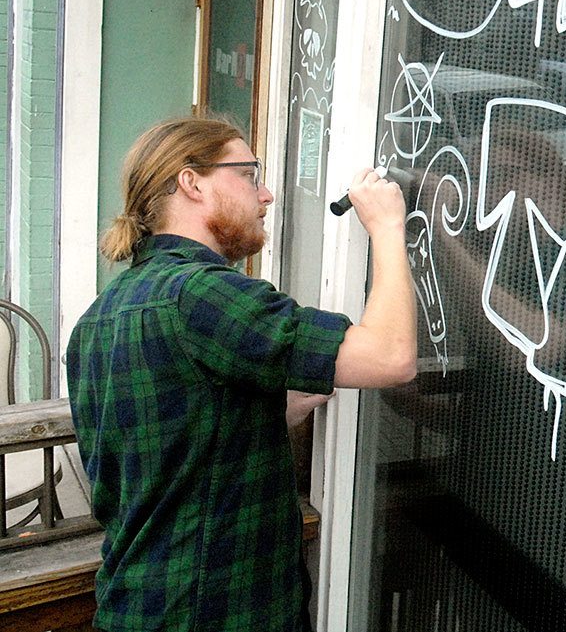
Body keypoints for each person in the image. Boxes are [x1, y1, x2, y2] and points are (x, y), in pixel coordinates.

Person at [66, 117, 416, 632]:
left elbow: (186, 428)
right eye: (251, 175)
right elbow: (391, 355)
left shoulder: (98, 319)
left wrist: (294, 391)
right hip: (214, 613)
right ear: (192, 182)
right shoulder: (202, 294)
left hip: (138, 606)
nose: (268, 194)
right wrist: (387, 227)